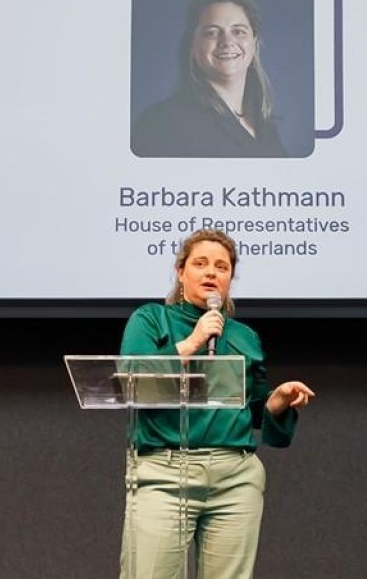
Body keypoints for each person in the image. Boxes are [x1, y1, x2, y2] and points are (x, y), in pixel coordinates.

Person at [119, 228, 314, 578]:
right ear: (181, 272)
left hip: (235, 478)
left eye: (222, 267)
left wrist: (278, 401)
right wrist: (191, 342)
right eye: (201, 263)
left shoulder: (243, 336)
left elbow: (253, 410)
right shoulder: (150, 319)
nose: (211, 272)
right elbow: (130, 379)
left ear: (229, 279)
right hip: (165, 472)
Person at [132, 0, 288, 158]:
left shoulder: (263, 123)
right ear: (192, 45)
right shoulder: (160, 124)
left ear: (254, 43)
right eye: (212, 33)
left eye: (238, 31)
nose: (227, 42)